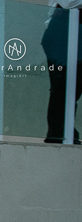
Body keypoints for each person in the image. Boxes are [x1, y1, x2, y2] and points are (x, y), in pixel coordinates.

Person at [42, 1, 82, 144]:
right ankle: (59, 134)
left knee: (72, 87)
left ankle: (65, 132)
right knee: (63, 86)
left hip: (73, 28)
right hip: (64, 28)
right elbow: (68, 2)